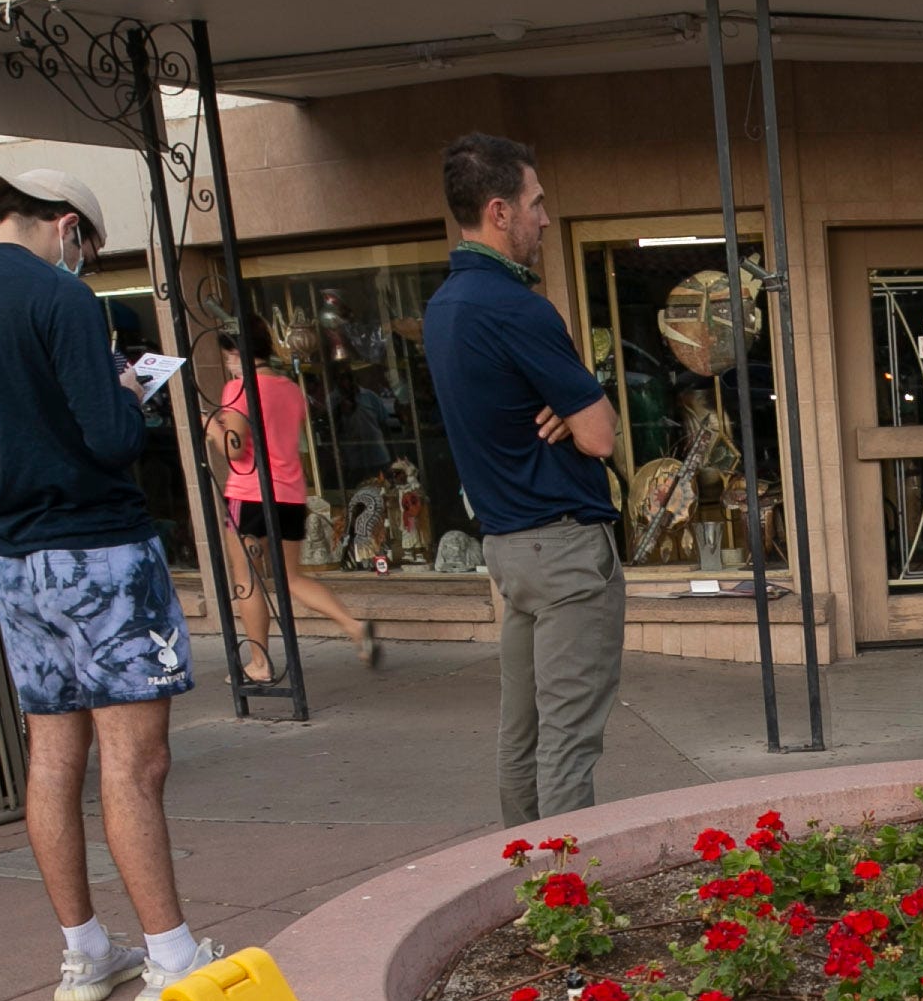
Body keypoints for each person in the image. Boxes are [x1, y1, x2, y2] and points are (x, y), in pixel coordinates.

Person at [0, 167, 206, 1001]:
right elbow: (113, 437)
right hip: (100, 548)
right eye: (89, 245)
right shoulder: (60, 298)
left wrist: (17, 445)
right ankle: (171, 954)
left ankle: (84, 952)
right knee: (135, 761)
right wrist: (122, 392)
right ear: (68, 226)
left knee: (51, 756)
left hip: (11, 554)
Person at [419, 132, 623, 824]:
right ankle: (567, 904)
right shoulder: (518, 308)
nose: (544, 218)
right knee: (567, 742)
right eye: (536, 204)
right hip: (563, 550)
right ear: (499, 211)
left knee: (522, 732)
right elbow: (602, 434)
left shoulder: (444, 308)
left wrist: (566, 410)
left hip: (507, 547)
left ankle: (520, 881)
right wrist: (576, 409)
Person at [211, 323, 379, 675]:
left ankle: (259, 662)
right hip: (289, 492)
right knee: (291, 577)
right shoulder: (289, 388)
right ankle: (353, 626)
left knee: (248, 580)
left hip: (251, 493)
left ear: (234, 354)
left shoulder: (239, 387)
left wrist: (210, 424)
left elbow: (235, 449)